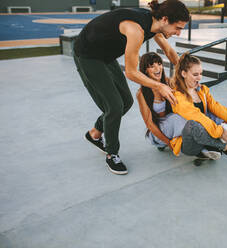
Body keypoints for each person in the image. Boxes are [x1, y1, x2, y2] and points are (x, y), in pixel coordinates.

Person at [73, 0, 190, 175]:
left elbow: (169, 51)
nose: (179, 33)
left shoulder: (155, 26)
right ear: (165, 19)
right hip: (88, 55)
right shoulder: (136, 29)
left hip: (106, 55)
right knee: (114, 106)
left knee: (126, 102)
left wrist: (184, 75)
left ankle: (94, 133)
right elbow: (131, 72)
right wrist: (160, 86)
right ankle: (112, 154)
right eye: (178, 28)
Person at [137, 52, 223, 160]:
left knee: (191, 114)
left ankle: (212, 139)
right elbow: (149, 124)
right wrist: (169, 143)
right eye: (152, 66)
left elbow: (184, 84)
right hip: (161, 128)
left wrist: (195, 83)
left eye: (159, 64)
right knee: (179, 119)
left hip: (175, 123)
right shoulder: (141, 93)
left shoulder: (168, 82)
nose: (157, 68)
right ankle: (208, 147)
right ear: (145, 70)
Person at [171, 53, 227, 162]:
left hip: (209, 130)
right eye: (195, 74)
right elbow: (197, 116)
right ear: (184, 73)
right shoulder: (177, 96)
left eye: (201, 74)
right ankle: (226, 148)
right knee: (193, 125)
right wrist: (221, 132)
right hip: (190, 142)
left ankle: (212, 146)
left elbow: (216, 107)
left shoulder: (202, 90)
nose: (199, 77)